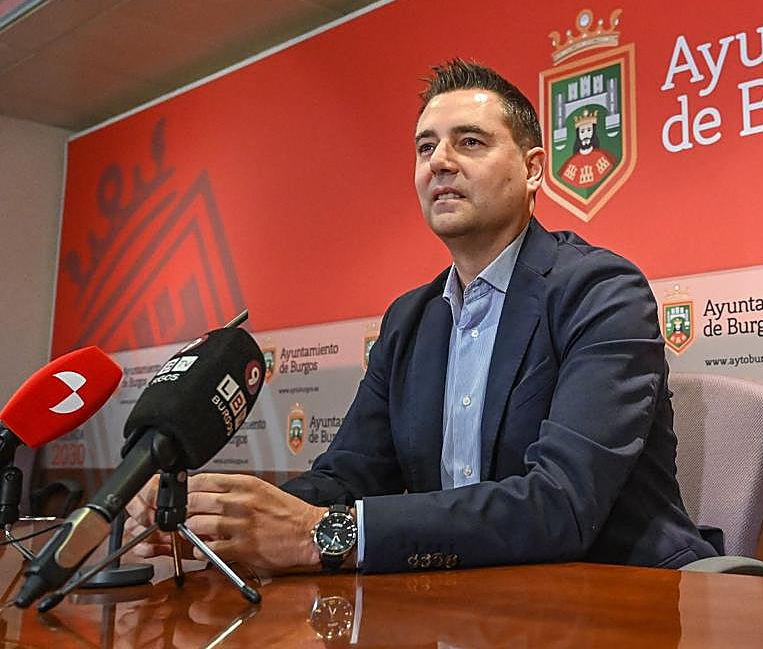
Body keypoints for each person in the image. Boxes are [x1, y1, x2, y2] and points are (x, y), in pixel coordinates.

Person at [127, 59, 716, 573]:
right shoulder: (409, 321)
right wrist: (218, 522)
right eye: (425, 147)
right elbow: (348, 477)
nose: (440, 163)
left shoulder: (601, 292)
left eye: (470, 142)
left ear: (534, 169)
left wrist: (318, 535)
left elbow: (560, 504)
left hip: (619, 597)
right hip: (473, 605)